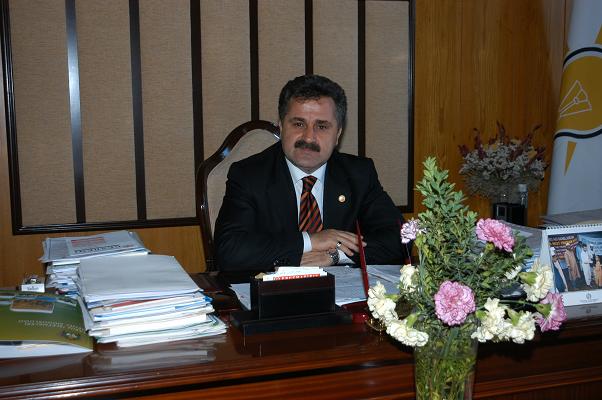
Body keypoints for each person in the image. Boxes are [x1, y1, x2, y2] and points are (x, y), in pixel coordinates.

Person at [215, 74, 405, 271]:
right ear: (281, 126)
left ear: (338, 134)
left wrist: (335, 255)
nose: (308, 137)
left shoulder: (358, 174)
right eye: (299, 124)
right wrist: (310, 241)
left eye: (322, 126)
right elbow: (229, 250)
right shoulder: (249, 175)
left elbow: (400, 238)